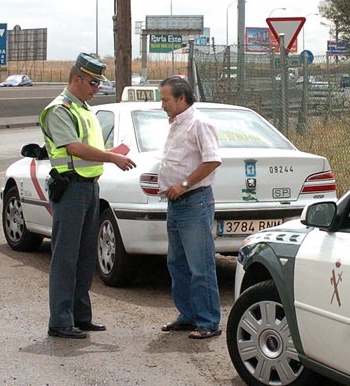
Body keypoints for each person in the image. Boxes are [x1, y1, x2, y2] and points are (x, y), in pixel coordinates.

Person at [40, 53, 136, 339]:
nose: (97, 88)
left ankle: (80, 316)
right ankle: (60, 321)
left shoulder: (83, 109)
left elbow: (89, 148)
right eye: (93, 82)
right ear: (76, 79)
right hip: (70, 189)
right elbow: (73, 147)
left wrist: (111, 153)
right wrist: (111, 157)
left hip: (89, 187)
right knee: (66, 258)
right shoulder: (60, 109)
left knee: (84, 258)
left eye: (98, 82)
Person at [157, 76, 223, 339]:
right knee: (177, 262)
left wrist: (183, 184)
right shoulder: (176, 124)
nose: (163, 105)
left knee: (201, 265)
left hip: (194, 201)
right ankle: (188, 316)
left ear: (182, 98)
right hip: (176, 204)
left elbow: (212, 160)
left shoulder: (199, 123)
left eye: (166, 99)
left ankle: (208, 321)